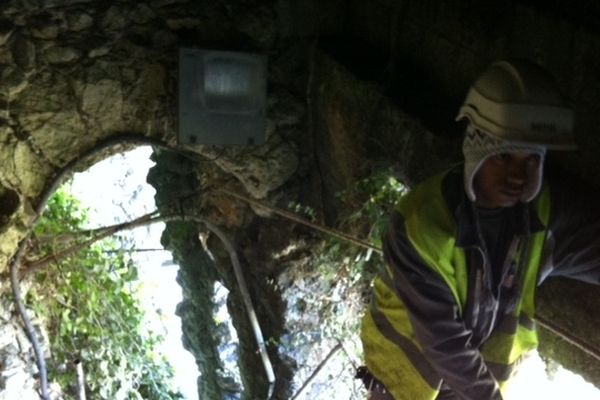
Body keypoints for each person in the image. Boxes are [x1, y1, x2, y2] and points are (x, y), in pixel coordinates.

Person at [358, 59, 600, 399]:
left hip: (471, 384)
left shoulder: (541, 218)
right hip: (404, 382)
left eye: (530, 160)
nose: (517, 176)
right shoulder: (419, 227)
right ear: (477, 148)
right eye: (504, 157)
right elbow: (445, 342)